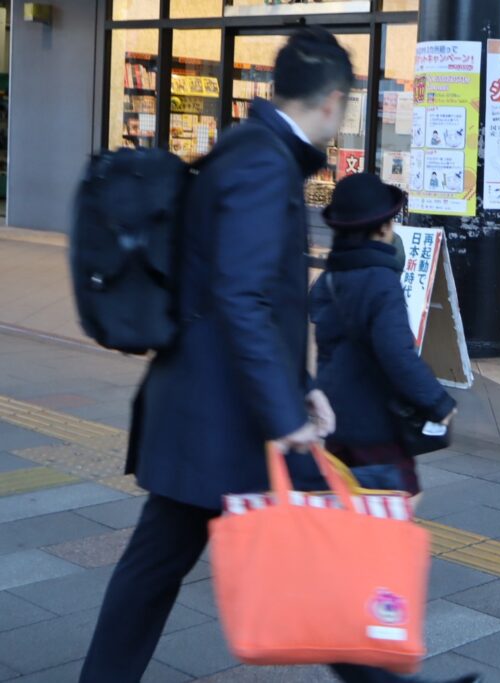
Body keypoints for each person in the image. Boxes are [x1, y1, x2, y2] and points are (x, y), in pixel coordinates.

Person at [80, 27, 348, 681]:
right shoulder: (264, 164)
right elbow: (242, 298)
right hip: (223, 412)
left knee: (158, 569)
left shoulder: (250, 147)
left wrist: (301, 386)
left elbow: (255, 299)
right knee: (298, 547)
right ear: (333, 102)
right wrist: (285, 413)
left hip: (211, 403)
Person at [310, 172, 457, 510]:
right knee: (401, 501)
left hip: (334, 413)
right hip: (374, 421)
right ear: (381, 229)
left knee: (347, 501)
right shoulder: (381, 280)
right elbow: (397, 353)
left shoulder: (331, 277)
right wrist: (438, 403)